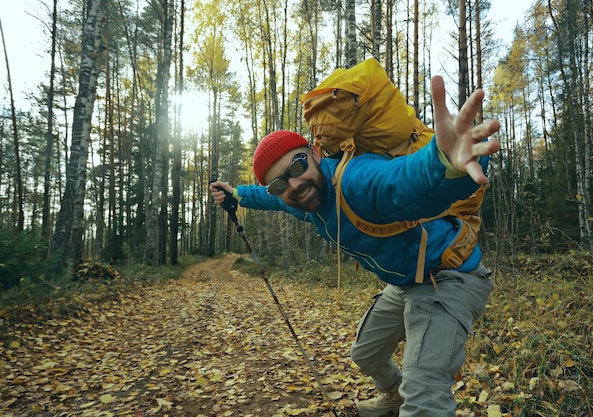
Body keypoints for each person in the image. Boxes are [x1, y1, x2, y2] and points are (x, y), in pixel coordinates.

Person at [210, 75, 501, 417]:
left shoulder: (354, 181)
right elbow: (271, 198)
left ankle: (410, 399)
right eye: (280, 183)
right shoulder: (303, 198)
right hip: (407, 281)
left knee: (423, 393)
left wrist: (444, 161)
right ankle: (393, 395)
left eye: (298, 165)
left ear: (315, 153)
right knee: (366, 353)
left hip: (450, 276)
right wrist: (239, 194)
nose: (294, 184)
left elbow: (402, 181)